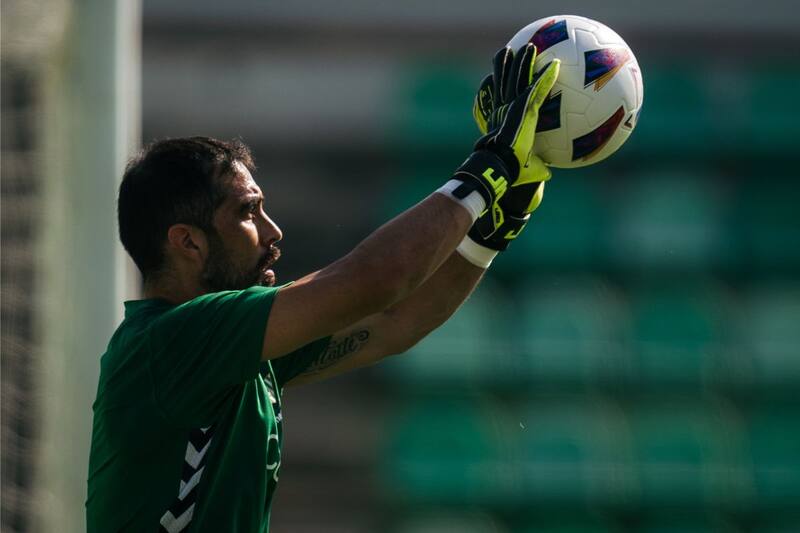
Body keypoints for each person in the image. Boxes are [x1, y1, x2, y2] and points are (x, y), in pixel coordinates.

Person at [86, 45, 560, 532]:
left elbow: (393, 322)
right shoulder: (172, 343)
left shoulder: (232, 350)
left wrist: (492, 231)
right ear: (187, 241)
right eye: (248, 213)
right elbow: (374, 281)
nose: (273, 232)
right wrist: (487, 171)